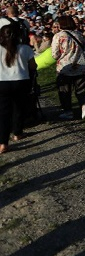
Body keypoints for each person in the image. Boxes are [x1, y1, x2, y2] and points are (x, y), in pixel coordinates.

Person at [0, 18, 37, 154]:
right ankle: (17, 133)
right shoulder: (25, 49)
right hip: (21, 80)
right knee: (19, 108)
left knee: (3, 113)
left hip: (2, 82)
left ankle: (3, 143)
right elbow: (33, 66)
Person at [50, 15, 85, 120]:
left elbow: (55, 54)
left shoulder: (58, 36)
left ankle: (68, 111)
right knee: (80, 90)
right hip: (81, 66)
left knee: (64, 90)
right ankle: (84, 106)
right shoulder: (79, 34)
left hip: (65, 67)